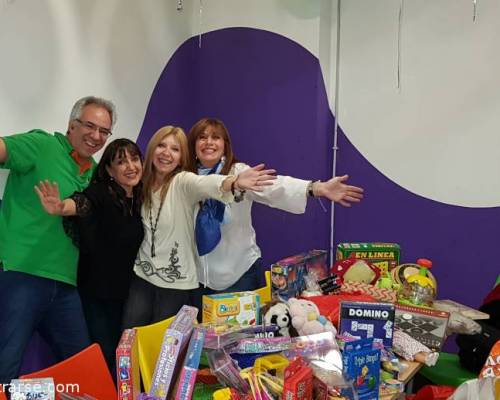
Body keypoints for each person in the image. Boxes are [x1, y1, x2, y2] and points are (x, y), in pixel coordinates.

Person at [186, 118, 364, 305]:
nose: (209, 142)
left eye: (216, 137)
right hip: (199, 278)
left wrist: (316, 188)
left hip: (240, 273)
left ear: (225, 145)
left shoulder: (239, 172)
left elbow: (275, 187)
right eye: (202, 137)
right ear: (193, 145)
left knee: (242, 332)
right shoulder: (185, 179)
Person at [0, 96, 115, 383]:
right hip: (21, 273)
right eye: (90, 125)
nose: (96, 136)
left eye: (104, 131)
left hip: (65, 285)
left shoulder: (95, 175)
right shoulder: (42, 145)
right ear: (72, 125)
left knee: (84, 370)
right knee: (5, 365)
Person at [122, 125, 276, 328]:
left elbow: (207, 184)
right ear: (152, 148)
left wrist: (234, 182)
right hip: (142, 275)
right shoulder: (141, 183)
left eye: (175, 149)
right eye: (161, 145)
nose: (167, 153)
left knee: (163, 347)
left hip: (177, 283)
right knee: (129, 338)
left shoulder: (182, 181)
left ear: (182, 157)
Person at [35, 138, 144, 373]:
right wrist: (60, 207)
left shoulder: (139, 198)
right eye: (121, 162)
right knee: (104, 356)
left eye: (134, 159)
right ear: (109, 170)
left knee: (122, 356)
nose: (130, 166)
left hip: (125, 294)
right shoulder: (102, 193)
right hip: (97, 294)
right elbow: (83, 203)